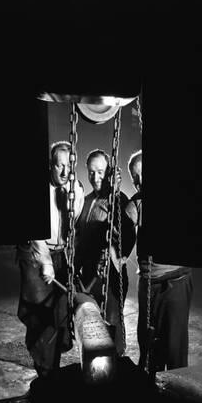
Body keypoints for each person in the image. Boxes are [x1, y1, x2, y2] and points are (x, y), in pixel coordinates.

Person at [17, 141, 84, 379]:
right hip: (36, 254)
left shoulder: (77, 188)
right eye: (59, 166)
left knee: (60, 314)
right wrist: (45, 263)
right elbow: (35, 233)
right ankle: (45, 372)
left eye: (69, 166)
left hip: (61, 254)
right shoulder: (37, 190)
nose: (65, 172)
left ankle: (52, 364)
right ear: (50, 165)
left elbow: (72, 227)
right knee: (40, 316)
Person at [125, 150, 193, 373]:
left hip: (176, 282)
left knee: (175, 350)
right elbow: (125, 229)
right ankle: (150, 396)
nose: (140, 182)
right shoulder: (136, 204)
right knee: (149, 348)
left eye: (143, 174)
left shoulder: (177, 195)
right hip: (149, 285)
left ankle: (177, 398)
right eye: (135, 178)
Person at [75, 149, 136, 355]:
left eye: (100, 172)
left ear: (109, 172)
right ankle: (96, 369)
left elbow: (127, 237)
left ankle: (117, 364)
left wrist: (114, 194)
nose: (95, 178)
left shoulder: (119, 200)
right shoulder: (86, 201)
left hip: (111, 274)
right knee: (92, 327)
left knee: (112, 326)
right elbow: (80, 240)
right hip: (89, 275)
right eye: (91, 172)